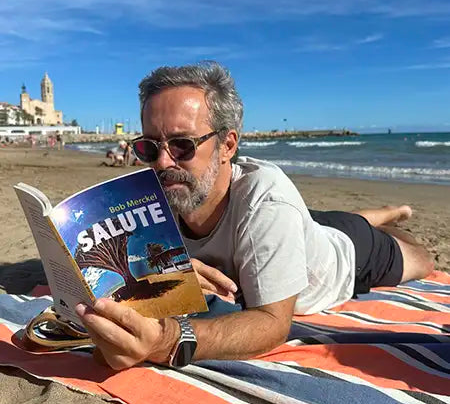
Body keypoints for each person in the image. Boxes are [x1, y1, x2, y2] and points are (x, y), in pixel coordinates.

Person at [75, 62, 433, 370]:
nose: (163, 162)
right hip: (300, 224)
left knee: (419, 257)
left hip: (347, 255)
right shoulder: (164, 190)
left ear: (228, 145)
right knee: (320, 218)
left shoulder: (267, 202)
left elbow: (273, 324)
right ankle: (376, 213)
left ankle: (394, 214)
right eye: (149, 147)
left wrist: (167, 340)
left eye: (182, 145)